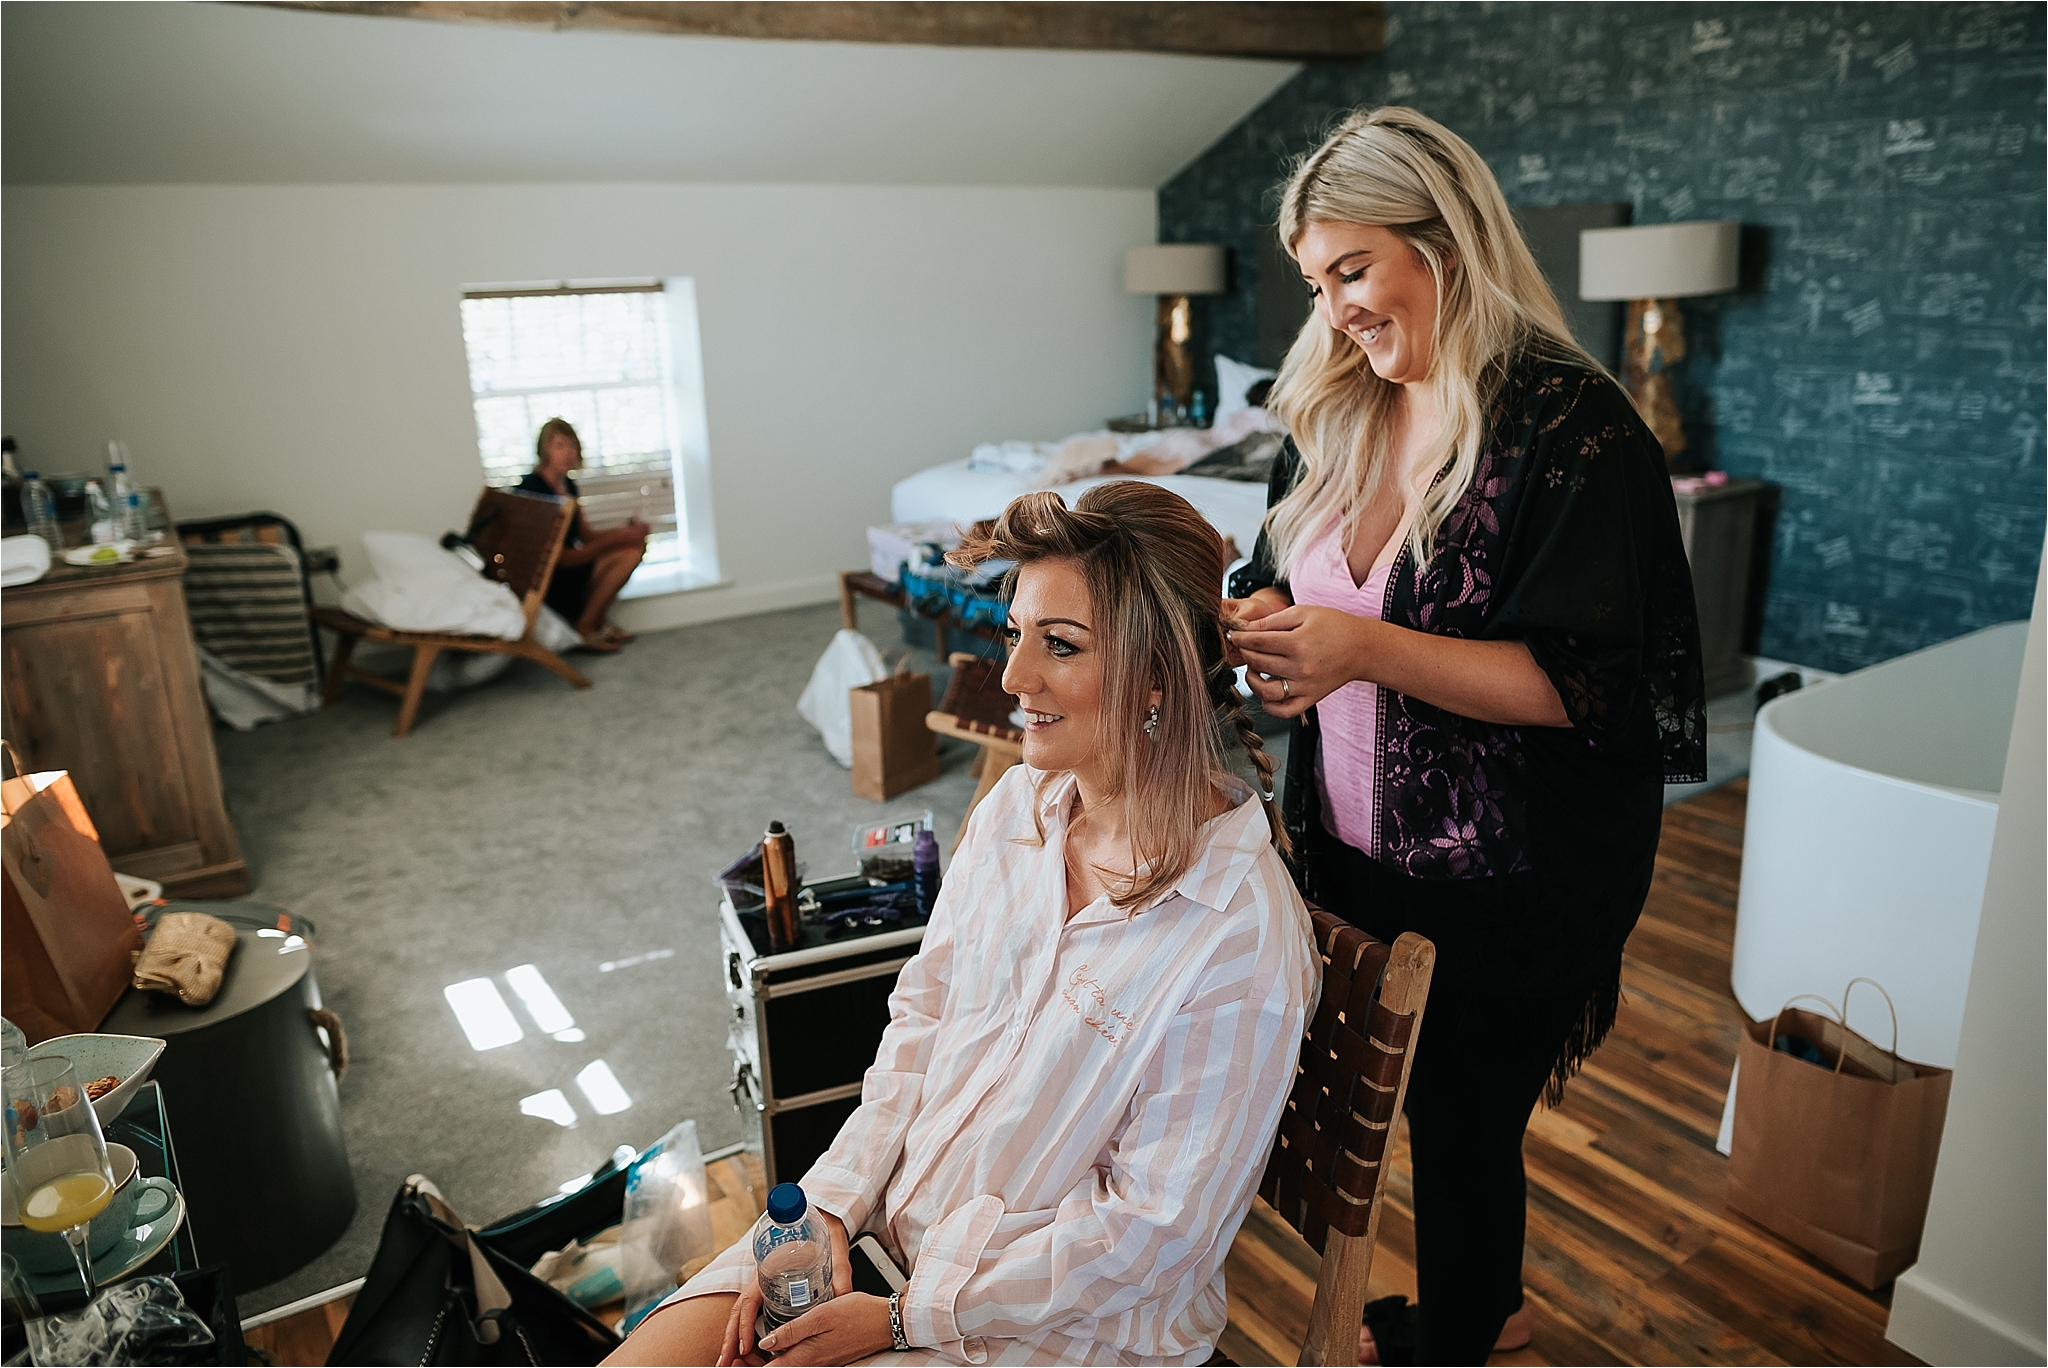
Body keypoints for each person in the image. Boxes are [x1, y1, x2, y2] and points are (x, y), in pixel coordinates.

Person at [607, 481, 1318, 1367]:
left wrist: (911, 1319)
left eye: (1059, 646)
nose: (1013, 678)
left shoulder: (1237, 934)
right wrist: (831, 1204)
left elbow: (1152, 1232)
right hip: (886, 1235)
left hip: (1051, 1332)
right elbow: (925, 1021)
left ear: (1158, 679)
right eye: (1015, 634)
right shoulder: (1016, 809)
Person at [1221, 107, 1706, 1365]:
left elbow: (1595, 685)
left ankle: (1471, 1331)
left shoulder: (1569, 430)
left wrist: (1362, 649)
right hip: (1346, 842)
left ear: (1444, 241)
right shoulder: (1330, 408)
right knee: (1381, 1109)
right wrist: (1271, 629)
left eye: (1351, 271)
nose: (1333, 311)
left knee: (1463, 1121)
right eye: (1314, 282)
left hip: (1508, 877)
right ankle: (1472, 1315)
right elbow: (1278, 576)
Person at [516, 417, 649, 652]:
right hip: (548, 577)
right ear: (544, 449)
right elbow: (560, 557)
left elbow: (586, 536)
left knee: (633, 547)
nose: (568, 453)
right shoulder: (532, 490)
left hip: (569, 566)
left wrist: (626, 532)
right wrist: (619, 538)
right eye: (559, 446)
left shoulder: (568, 485)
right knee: (627, 551)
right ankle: (586, 626)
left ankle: (596, 621)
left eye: (571, 446)